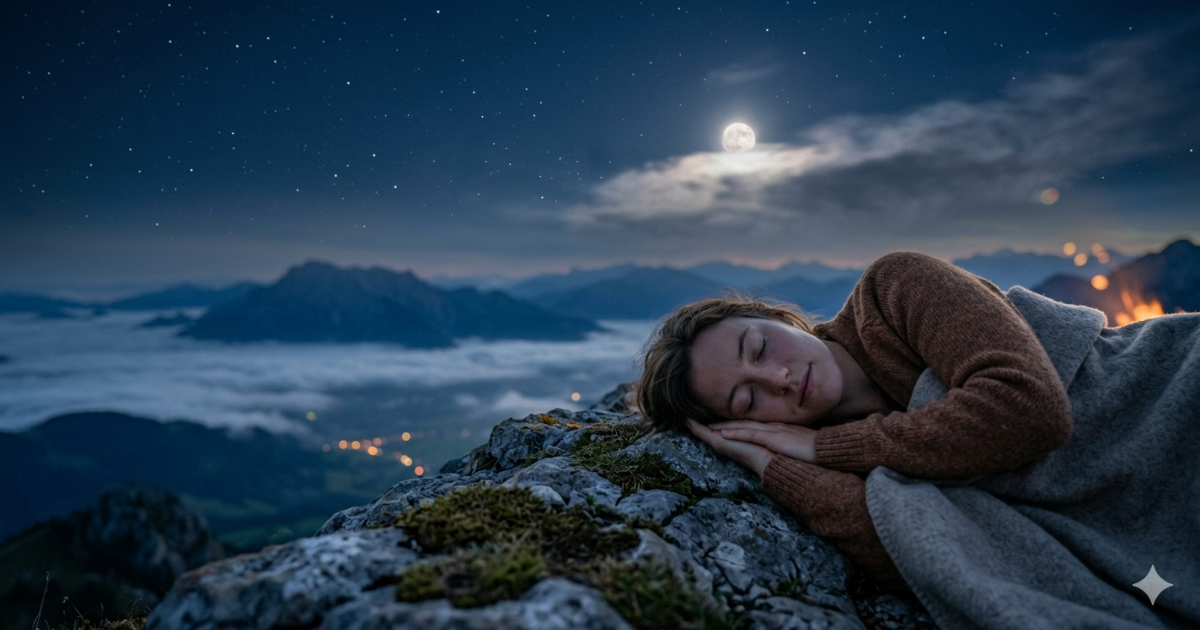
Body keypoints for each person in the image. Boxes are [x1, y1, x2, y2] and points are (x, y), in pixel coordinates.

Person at [635, 251, 1200, 630]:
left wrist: (827, 450)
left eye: (759, 348)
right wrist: (770, 464)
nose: (778, 379)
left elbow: (1029, 409)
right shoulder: (838, 452)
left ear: (780, 316)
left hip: (1173, 387)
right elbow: (908, 545)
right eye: (748, 401)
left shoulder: (893, 290)